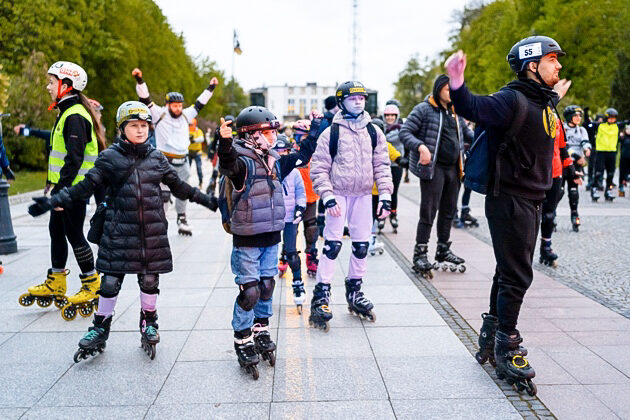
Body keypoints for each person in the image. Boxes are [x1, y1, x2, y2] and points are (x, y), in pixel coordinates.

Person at [28, 101, 218, 361]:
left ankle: (148, 321)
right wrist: (54, 201)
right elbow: (85, 187)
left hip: (151, 232)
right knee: (109, 282)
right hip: (118, 231)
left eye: (144, 125)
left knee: (150, 281)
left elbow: (179, 187)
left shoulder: (156, 157)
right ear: (122, 128)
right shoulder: (110, 158)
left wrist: (209, 201)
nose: (140, 130)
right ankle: (100, 327)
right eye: (134, 126)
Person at [445, 36, 570, 396]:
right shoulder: (510, 99)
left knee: (508, 271)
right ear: (532, 65)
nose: (558, 65)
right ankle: (507, 343)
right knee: (518, 275)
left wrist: (556, 96)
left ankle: (492, 331)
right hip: (511, 199)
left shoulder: (542, 102)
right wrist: (457, 82)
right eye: (551, 60)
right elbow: (473, 107)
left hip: (531, 199)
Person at [217, 106, 320, 379]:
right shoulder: (242, 161)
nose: (274, 136)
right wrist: (225, 143)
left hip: (271, 236)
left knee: (266, 286)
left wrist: (316, 128)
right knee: (249, 291)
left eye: (274, 131)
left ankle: (261, 329)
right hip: (247, 239)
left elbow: (302, 156)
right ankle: (242, 336)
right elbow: (228, 166)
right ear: (251, 135)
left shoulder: (275, 159)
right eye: (268, 132)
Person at [18, 62, 105, 320]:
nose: (47, 86)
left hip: (75, 188)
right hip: (66, 187)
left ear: (65, 85)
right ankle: (57, 279)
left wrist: (61, 192)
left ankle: (92, 283)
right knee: (56, 230)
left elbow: (74, 159)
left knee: (74, 233)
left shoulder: (75, 114)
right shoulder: (66, 111)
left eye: (51, 81)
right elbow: (61, 155)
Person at [309, 81, 393, 331]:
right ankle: (322, 293)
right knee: (332, 244)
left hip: (364, 195)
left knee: (361, 245)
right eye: (352, 98)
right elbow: (319, 168)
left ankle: (355, 290)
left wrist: (386, 195)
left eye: (361, 98)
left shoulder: (374, 132)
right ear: (341, 102)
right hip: (339, 195)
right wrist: (327, 195)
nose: (358, 101)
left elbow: (382, 165)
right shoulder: (330, 133)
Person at [399, 74, 473, 279]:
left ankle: (442, 249)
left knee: (449, 211)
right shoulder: (424, 109)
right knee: (429, 211)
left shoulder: (456, 112)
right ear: (438, 88)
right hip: (433, 168)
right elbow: (405, 132)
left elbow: (468, 135)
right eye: (449, 89)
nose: (452, 93)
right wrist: (421, 146)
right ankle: (420, 253)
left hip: (454, 168)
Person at [132, 68, 218, 235]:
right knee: (163, 194)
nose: (178, 108)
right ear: (168, 105)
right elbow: (145, 98)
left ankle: (182, 218)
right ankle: (160, 221)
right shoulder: (159, 114)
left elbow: (200, 103)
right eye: (174, 105)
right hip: (164, 160)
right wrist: (139, 79)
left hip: (183, 160)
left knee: (183, 191)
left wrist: (211, 87)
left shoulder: (186, 115)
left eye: (179, 105)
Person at [539, 115, 579, 267]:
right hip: (534, 172)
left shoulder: (557, 121)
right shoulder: (530, 114)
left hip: (555, 172)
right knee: (530, 214)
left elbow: (563, 149)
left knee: (549, 213)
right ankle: (523, 250)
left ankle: (546, 247)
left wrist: (572, 170)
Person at [274, 135, 307, 312]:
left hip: (290, 218)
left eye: (284, 151)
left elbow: (301, 193)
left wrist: (300, 208)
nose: (281, 155)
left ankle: (297, 282)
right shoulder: (270, 170)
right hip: (272, 218)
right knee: (267, 252)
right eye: (278, 152)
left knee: (292, 252)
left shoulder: (295, 173)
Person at [369, 118, 402, 255]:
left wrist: (404, 161)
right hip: (368, 190)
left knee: (374, 217)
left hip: (380, 190)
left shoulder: (385, 145)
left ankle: (371, 239)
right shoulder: (364, 145)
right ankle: (369, 239)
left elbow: (396, 156)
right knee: (369, 217)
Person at [293, 119, 320, 277]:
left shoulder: (314, 150)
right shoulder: (289, 150)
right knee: (292, 229)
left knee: (311, 227)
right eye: (297, 133)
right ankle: (287, 255)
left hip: (310, 194)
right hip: (293, 197)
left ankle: (311, 256)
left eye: (303, 134)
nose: (300, 137)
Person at [562, 105, 591, 230]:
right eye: (576, 116)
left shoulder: (581, 130)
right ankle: (551, 214)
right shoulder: (562, 129)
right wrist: (575, 155)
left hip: (576, 165)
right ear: (569, 117)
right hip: (563, 164)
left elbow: (585, 142)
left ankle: (575, 214)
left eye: (580, 115)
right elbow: (562, 147)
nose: (579, 118)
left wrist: (587, 149)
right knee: (559, 191)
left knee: (573, 192)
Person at [589, 108, 626, 201]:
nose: (612, 120)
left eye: (614, 118)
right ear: (606, 117)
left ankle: (608, 191)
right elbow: (588, 125)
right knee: (598, 173)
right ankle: (594, 189)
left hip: (612, 153)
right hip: (601, 152)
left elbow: (627, 122)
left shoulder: (617, 126)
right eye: (610, 118)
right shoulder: (600, 125)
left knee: (610, 173)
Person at [381, 103, 407, 233]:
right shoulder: (380, 129)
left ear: (396, 116)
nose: (390, 117)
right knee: (382, 190)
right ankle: (381, 215)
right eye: (387, 115)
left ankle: (393, 214)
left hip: (397, 165)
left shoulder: (402, 130)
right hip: (382, 165)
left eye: (392, 115)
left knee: (394, 191)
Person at [188, 118, 205, 188]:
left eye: (191, 124)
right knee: (187, 169)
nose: (190, 126)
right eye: (189, 124)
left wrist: (194, 140)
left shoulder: (198, 131)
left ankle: (200, 182)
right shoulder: (186, 130)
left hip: (197, 152)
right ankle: (186, 182)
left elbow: (202, 139)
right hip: (188, 152)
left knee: (199, 168)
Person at [620, 125, 630, 197]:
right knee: (622, 172)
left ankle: (626, 181)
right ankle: (621, 187)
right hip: (624, 157)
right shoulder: (623, 138)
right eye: (628, 129)